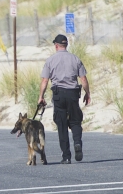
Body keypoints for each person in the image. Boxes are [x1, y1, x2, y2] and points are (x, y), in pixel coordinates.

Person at [37, 34, 90, 164]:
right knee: (75, 121)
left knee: (61, 125)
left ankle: (66, 156)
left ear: (56, 46)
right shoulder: (75, 59)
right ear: (66, 45)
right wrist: (87, 93)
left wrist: (41, 97)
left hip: (58, 94)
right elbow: (83, 79)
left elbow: (45, 81)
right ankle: (77, 143)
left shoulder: (50, 60)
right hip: (73, 94)